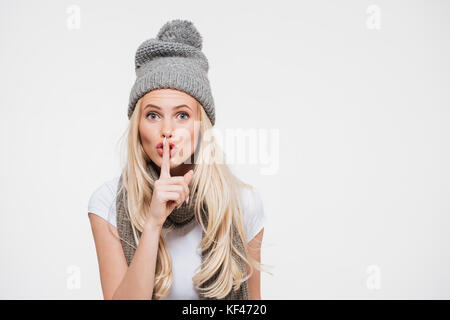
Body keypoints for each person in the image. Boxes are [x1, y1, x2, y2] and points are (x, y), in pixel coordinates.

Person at [87, 19, 267, 300]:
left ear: (200, 125)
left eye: (182, 115)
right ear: (138, 125)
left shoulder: (244, 203)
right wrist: (153, 223)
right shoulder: (107, 203)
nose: (167, 130)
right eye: (153, 115)